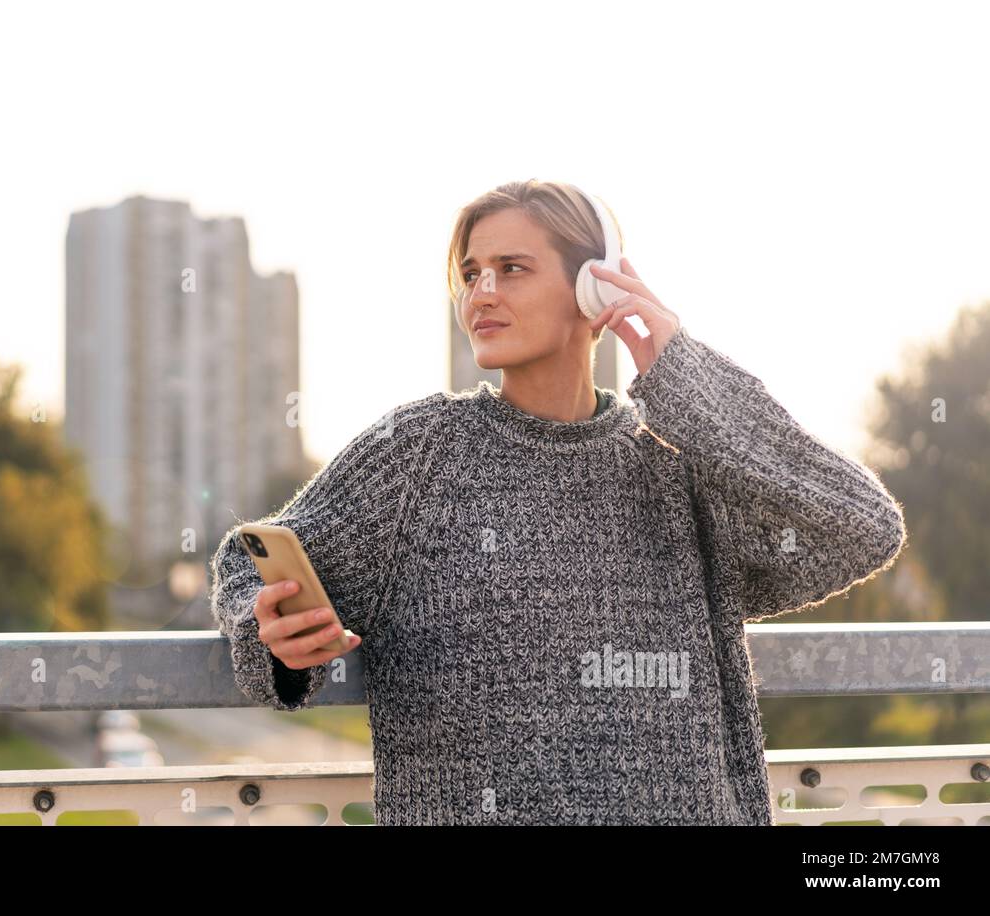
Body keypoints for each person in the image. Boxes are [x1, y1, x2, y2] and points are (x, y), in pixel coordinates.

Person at [208, 179, 908, 825]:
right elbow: (252, 559)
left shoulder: (678, 464)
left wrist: (684, 374)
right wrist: (266, 628)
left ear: (595, 288)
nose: (481, 292)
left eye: (511, 268)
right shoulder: (418, 453)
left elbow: (862, 527)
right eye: (470, 274)